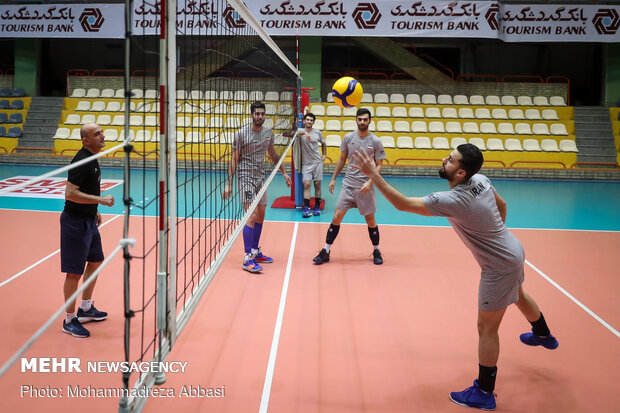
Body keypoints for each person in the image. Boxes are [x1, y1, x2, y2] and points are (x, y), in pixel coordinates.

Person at [352, 143, 558, 410]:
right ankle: (542, 334)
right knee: (516, 293)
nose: (444, 160)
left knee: (487, 328)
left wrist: (374, 174)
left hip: (498, 267)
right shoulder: (481, 179)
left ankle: (484, 392)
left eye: (450, 160)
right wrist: (496, 238)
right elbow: (502, 205)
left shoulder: (453, 200)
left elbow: (402, 204)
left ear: (461, 173)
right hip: (513, 249)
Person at [222, 101, 291, 274]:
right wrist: (229, 183)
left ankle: (255, 251)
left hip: (261, 176)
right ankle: (247, 258)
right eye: (257, 114)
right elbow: (234, 159)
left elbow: (272, 154)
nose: (260, 116)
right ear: (251, 115)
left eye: (262, 114)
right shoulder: (241, 134)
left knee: (261, 214)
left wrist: (283, 172)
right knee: (251, 215)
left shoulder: (268, 132)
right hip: (245, 176)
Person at [312, 107, 386, 265]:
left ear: (370, 121)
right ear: (356, 120)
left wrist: (370, 181)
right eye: (360, 119)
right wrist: (333, 179)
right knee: (336, 217)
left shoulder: (375, 141)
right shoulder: (348, 138)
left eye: (365, 119)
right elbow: (341, 159)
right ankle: (326, 250)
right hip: (348, 185)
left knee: (370, 219)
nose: (362, 122)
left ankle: (376, 250)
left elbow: (379, 165)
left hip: (365, 186)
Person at [61, 123, 115, 338]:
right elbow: (70, 193)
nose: (102, 136)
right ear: (86, 141)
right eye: (97, 134)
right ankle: (69, 320)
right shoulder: (82, 161)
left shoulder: (91, 158)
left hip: (88, 219)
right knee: (74, 272)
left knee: (95, 261)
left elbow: (85, 188)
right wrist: (99, 200)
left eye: (101, 132)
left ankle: (85, 309)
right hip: (74, 223)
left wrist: (93, 210)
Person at [297, 112, 327, 218]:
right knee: (307, 185)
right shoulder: (300, 131)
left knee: (317, 184)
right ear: (304, 121)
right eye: (308, 120)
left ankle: (317, 207)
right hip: (306, 164)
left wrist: (324, 155)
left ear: (313, 122)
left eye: (311, 120)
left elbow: (323, 143)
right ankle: (306, 209)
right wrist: (305, 133)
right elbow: (292, 133)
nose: (309, 121)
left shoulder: (317, 132)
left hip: (317, 162)